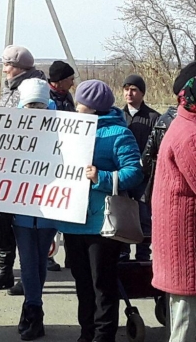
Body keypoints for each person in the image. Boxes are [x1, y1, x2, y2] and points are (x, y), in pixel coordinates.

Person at [58, 80, 143, 342]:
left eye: (80, 102)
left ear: (92, 106)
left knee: (102, 284)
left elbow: (135, 172)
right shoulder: (69, 130)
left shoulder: (119, 133)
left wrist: (101, 177)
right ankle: (86, 333)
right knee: (82, 284)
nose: (76, 106)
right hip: (73, 219)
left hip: (102, 224)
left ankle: (103, 336)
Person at [0, 45, 45, 293]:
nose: (4, 70)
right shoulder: (8, 89)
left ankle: (27, 275)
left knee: (24, 227)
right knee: (4, 223)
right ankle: (5, 271)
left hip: (27, 169)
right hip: (5, 166)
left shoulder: (34, 91)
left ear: (20, 68)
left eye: (7, 65)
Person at [12, 79, 58, 341]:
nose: (35, 111)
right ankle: (33, 309)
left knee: (40, 260)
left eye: (40, 105)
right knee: (28, 259)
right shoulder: (13, 123)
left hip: (50, 204)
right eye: (31, 105)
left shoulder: (62, 125)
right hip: (20, 204)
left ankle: (32, 306)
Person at [151, 74, 196, 342]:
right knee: (186, 328)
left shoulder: (183, 122)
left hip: (181, 246)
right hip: (187, 251)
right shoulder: (190, 136)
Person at [142, 62, 196, 204]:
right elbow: (147, 158)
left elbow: (146, 158)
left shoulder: (168, 119)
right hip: (182, 207)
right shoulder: (188, 132)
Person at [120, 74, 159, 262]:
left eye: (134, 89)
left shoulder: (153, 118)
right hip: (123, 177)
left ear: (142, 93)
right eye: (126, 89)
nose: (129, 93)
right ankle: (123, 254)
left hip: (145, 178)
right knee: (124, 216)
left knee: (144, 217)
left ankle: (143, 256)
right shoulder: (118, 116)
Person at [47, 60, 76, 271]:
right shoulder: (46, 99)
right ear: (59, 81)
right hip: (49, 162)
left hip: (68, 159)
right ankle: (48, 255)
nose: (73, 83)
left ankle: (71, 256)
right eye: (70, 79)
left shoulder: (67, 98)